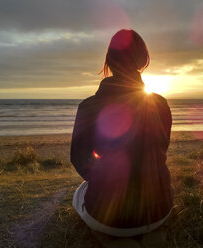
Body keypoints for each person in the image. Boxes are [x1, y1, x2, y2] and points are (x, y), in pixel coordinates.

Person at [71, 29, 173, 237]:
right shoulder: (160, 104)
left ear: (109, 61)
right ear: (143, 60)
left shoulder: (89, 106)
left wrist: (105, 179)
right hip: (158, 213)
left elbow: (79, 159)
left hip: (104, 219)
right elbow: (161, 149)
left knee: (79, 191)